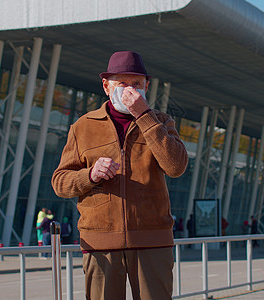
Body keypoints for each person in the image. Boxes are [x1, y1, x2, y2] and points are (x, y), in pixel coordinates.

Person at [51, 51, 188, 299]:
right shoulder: (83, 126)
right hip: (100, 243)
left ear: (146, 86)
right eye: (122, 83)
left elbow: (176, 166)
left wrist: (144, 115)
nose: (130, 90)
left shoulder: (161, 121)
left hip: (153, 241)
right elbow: (60, 182)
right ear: (106, 86)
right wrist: (90, 175)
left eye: (136, 83)